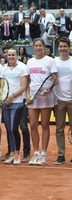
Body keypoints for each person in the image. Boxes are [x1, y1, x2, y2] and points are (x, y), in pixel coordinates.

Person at [26, 38, 57, 165]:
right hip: (32, 97)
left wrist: (47, 90)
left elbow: (55, 78)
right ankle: (36, 153)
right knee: (33, 125)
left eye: (40, 45)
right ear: (33, 47)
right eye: (36, 45)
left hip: (46, 97)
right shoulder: (30, 61)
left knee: (44, 125)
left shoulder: (50, 61)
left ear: (44, 47)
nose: (38, 48)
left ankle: (43, 154)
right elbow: (27, 81)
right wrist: (27, 95)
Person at [0, 48, 28, 165]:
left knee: (13, 128)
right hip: (5, 103)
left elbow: (23, 86)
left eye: (13, 55)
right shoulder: (4, 68)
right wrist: (0, 102)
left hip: (17, 102)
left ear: (17, 55)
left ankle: (17, 154)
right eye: (9, 55)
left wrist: (12, 96)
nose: (11, 57)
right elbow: (1, 86)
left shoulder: (22, 67)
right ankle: (12, 153)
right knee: (8, 130)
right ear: (7, 56)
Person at [54, 37, 72, 165]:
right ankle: (61, 154)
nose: (63, 49)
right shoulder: (54, 62)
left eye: (65, 46)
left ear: (69, 47)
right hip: (58, 100)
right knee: (59, 129)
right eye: (60, 46)